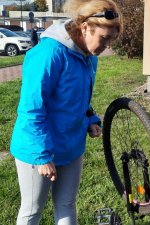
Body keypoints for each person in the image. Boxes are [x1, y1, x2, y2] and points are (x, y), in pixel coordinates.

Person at [10, 0, 122, 224]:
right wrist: (42, 156)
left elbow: (81, 96)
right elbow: (31, 109)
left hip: (71, 144)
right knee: (32, 210)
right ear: (84, 26)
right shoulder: (49, 54)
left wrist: (90, 118)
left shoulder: (89, 56)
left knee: (66, 204)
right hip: (37, 147)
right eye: (104, 38)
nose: (106, 46)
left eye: (111, 39)